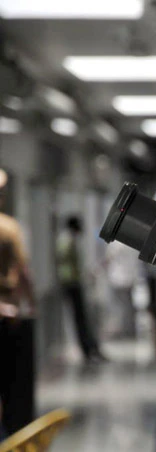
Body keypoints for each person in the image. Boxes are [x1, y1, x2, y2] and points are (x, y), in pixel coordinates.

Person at [0, 168, 37, 436]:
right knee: (15, 391)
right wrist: (31, 304)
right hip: (8, 316)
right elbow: (23, 273)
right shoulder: (8, 228)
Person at [56, 215, 106, 363]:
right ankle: (88, 350)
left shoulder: (67, 240)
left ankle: (90, 349)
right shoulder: (67, 241)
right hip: (72, 284)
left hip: (73, 283)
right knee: (81, 318)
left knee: (82, 318)